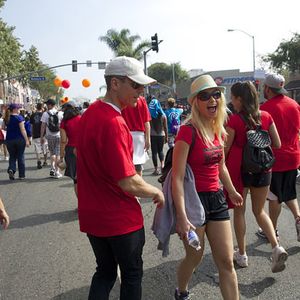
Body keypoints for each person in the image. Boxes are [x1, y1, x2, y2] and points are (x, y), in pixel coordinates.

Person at [76, 56, 165, 300]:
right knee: (132, 274)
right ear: (115, 84)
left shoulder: (91, 112)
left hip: (93, 214)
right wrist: (156, 192)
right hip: (119, 218)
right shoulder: (114, 121)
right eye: (136, 85)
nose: (141, 91)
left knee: (104, 272)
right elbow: (127, 181)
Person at [172, 74, 243, 300]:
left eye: (216, 95)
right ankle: (181, 291)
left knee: (226, 261)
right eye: (205, 96)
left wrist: (231, 190)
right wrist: (181, 216)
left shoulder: (217, 128)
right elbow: (177, 177)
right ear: (195, 102)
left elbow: (221, 166)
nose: (212, 100)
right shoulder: (187, 131)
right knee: (195, 257)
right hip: (194, 202)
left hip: (217, 199)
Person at [225, 81, 288, 272]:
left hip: (241, 171)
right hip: (263, 170)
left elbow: (225, 149)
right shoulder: (266, 116)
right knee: (260, 211)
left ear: (239, 99)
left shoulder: (234, 120)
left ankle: (242, 254)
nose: (231, 101)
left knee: (239, 211)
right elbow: (276, 144)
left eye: (233, 98)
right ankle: (276, 247)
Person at [257, 73, 300, 242]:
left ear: (267, 88)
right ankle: (298, 218)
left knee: (274, 195)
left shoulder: (266, 108)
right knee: (289, 192)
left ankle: (271, 230)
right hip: (294, 156)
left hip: (275, 159)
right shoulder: (295, 105)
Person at [122, 95, 151, 176]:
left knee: (126, 164)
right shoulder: (141, 99)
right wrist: (148, 139)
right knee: (138, 165)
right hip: (139, 136)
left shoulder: (122, 98)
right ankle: (139, 184)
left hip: (125, 135)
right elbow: (146, 121)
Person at [59, 100, 81, 197]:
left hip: (71, 150)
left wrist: (61, 155)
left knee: (76, 179)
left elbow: (63, 140)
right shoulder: (81, 118)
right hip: (84, 149)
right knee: (86, 177)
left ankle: (81, 204)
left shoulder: (64, 122)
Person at [4, 103, 30, 180]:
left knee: (12, 156)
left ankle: (11, 169)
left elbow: (3, 128)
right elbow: (23, 130)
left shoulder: (6, 118)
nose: (19, 110)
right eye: (18, 108)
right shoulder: (19, 118)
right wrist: (27, 140)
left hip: (9, 140)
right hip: (19, 139)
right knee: (20, 156)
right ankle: (21, 175)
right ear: (14, 109)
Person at [40, 99, 63, 178]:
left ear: (50, 105)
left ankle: (52, 168)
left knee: (52, 153)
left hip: (49, 136)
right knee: (58, 154)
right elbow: (63, 126)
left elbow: (43, 126)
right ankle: (57, 172)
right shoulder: (60, 113)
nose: (46, 106)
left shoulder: (45, 114)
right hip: (58, 135)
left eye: (47, 104)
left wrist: (42, 136)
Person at [149, 97, 168, 175]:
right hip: (161, 135)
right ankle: (162, 166)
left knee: (154, 152)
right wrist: (166, 136)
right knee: (160, 151)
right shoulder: (163, 115)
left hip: (153, 135)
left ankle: (156, 169)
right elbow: (166, 127)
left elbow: (148, 126)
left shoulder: (149, 115)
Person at [30, 103, 48, 169]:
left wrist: (32, 134)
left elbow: (31, 126)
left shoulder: (32, 115)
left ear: (36, 107)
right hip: (44, 134)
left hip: (35, 134)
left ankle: (38, 160)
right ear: (42, 107)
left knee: (37, 148)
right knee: (44, 148)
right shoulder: (45, 114)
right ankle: (45, 161)